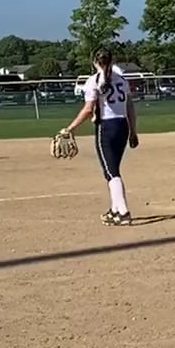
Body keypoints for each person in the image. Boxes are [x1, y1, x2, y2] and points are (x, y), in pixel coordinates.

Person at [60, 48, 138, 225]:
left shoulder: (93, 81)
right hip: (122, 126)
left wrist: (70, 129)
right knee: (113, 169)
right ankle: (115, 210)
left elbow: (88, 110)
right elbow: (130, 107)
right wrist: (133, 131)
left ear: (95, 62)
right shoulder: (121, 80)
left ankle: (123, 212)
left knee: (111, 172)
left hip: (106, 128)